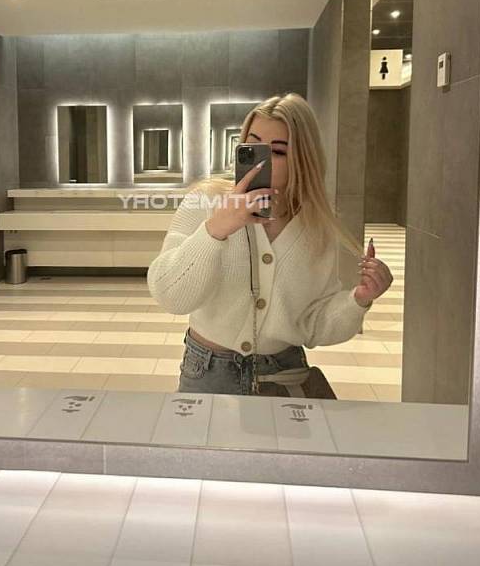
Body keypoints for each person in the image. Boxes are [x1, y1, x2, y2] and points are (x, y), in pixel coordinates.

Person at [147, 93, 393, 396]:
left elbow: (313, 324)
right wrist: (216, 229)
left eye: (277, 151)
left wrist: (358, 300)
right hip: (209, 372)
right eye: (252, 147)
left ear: (302, 158)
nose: (261, 161)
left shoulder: (316, 225)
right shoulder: (206, 201)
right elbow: (170, 296)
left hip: (284, 374)